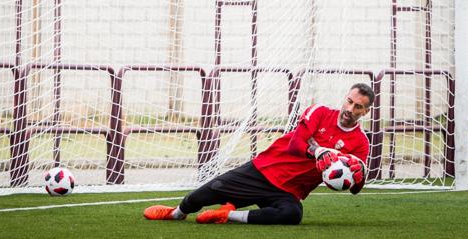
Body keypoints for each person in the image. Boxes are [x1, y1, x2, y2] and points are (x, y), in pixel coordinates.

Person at [143, 82, 374, 225]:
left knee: (292, 216)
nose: (350, 109)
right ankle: (176, 213)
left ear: (365, 111)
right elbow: (295, 145)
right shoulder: (320, 112)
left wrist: (358, 172)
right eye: (349, 102)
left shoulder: (361, 143)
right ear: (345, 98)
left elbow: (354, 189)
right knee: (204, 194)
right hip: (263, 171)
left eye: (358, 107)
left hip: (289, 190)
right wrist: (320, 152)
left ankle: (227, 216)